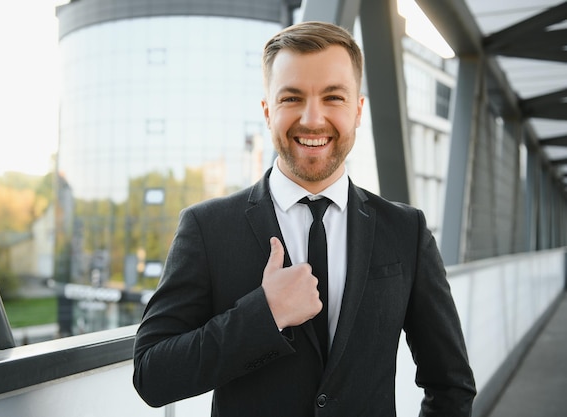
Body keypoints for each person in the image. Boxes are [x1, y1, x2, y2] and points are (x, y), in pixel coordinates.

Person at [133, 21, 476, 416]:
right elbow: (151, 374)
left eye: (333, 97)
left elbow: (451, 384)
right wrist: (265, 314)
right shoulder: (207, 229)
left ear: (359, 109)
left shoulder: (406, 232)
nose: (313, 119)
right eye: (291, 98)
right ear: (267, 111)